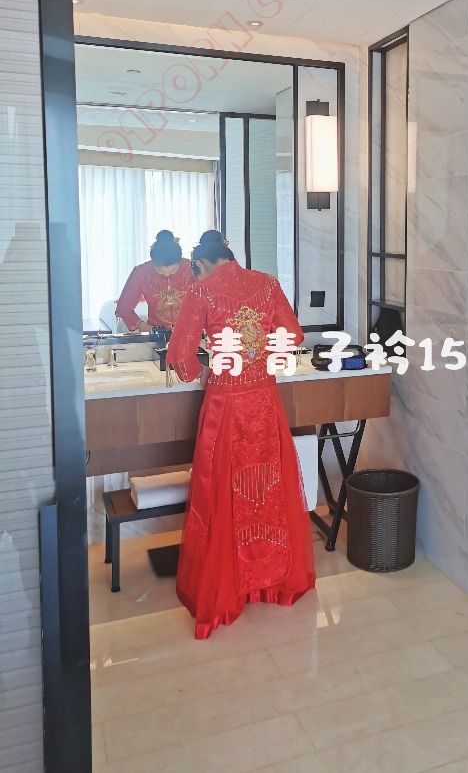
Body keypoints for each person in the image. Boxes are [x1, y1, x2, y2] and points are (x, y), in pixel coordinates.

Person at [166, 230, 315, 639]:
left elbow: (180, 356)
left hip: (226, 406)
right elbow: (293, 334)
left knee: (222, 494)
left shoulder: (202, 290)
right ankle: (269, 582)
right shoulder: (266, 284)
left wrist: (204, 370)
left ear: (201, 264)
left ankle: (227, 589)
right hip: (264, 401)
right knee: (266, 492)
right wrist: (262, 360)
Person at [115, 230, 192, 332]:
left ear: (180, 261)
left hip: (191, 332)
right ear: (153, 262)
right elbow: (123, 308)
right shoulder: (141, 272)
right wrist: (143, 326)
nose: (166, 274)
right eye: (160, 271)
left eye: (172, 270)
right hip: (156, 333)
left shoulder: (192, 268)